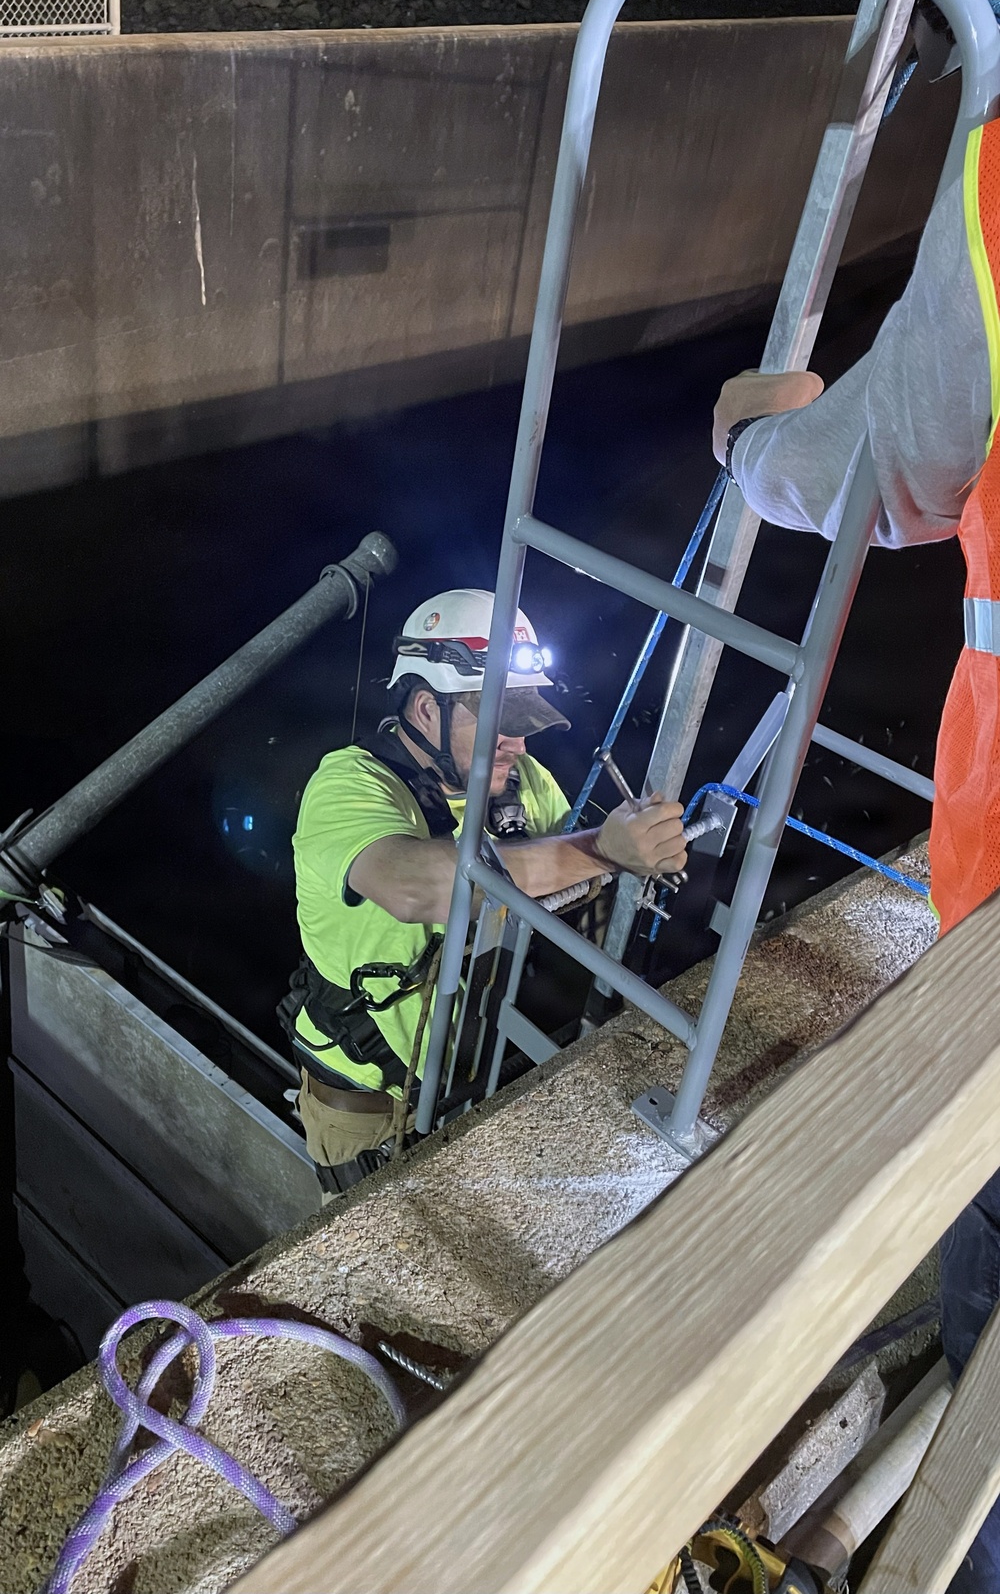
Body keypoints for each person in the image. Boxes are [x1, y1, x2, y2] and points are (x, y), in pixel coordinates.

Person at [713, 114, 1000, 1592]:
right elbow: (406, 880)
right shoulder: (354, 801)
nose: (513, 738)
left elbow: (877, 465)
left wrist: (752, 438)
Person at [281, 587, 688, 1198]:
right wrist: (603, 850)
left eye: (524, 725)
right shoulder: (348, 784)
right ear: (425, 711)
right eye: (499, 722)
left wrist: (639, 850)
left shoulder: (524, 781)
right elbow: (415, 886)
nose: (518, 744)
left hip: (476, 1070)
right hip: (372, 1105)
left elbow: (573, 880)